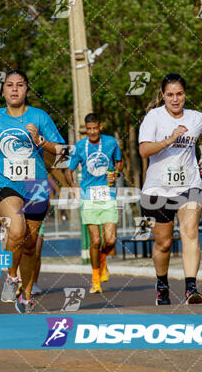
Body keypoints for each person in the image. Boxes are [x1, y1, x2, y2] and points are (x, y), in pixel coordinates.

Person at [0, 69, 65, 313]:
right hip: (4, 183)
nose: (14, 89)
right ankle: (11, 277)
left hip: (35, 184)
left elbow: (61, 150)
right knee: (16, 228)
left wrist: (42, 142)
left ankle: (25, 296)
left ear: (26, 90)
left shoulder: (40, 116)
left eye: (20, 85)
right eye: (10, 85)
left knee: (30, 245)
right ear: (2, 90)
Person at [138, 73, 202, 305]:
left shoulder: (195, 118)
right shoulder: (153, 117)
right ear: (163, 96)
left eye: (180, 94)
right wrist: (169, 140)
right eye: (170, 95)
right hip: (157, 189)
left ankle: (191, 287)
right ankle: (162, 285)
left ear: (185, 94)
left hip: (189, 184)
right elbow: (144, 151)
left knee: (190, 233)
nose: (175, 99)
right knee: (163, 243)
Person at [64, 113, 124, 294]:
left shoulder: (111, 142)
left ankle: (102, 259)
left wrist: (116, 173)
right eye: (88, 129)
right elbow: (68, 171)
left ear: (100, 127)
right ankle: (95, 279)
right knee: (95, 240)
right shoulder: (80, 147)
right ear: (85, 129)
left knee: (111, 240)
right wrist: (74, 187)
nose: (92, 132)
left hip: (108, 194)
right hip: (88, 197)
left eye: (95, 128)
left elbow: (119, 162)